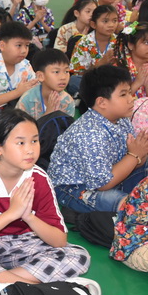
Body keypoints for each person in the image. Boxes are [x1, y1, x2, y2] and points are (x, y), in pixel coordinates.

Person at [0, 109, 97, 295]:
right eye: (21, 143)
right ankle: (40, 290)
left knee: (78, 255)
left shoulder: (39, 177)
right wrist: (11, 213)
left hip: (26, 244)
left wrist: (28, 216)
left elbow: (59, 240)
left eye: (34, 141)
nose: (30, 149)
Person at [50, 65, 148, 213]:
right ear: (102, 102)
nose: (131, 99)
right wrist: (134, 155)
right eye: (123, 95)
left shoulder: (121, 119)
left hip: (113, 174)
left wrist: (141, 152)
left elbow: (136, 162)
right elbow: (103, 184)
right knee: (127, 203)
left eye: (129, 92)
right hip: (76, 188)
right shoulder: (89, 134)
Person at [16, 49, 75, 120]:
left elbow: (68, 126)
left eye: (66, 71)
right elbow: (18, 126)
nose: (63, 77)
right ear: (40, 76)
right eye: (56, 72)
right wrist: (49, 113)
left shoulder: (67, 101)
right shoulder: (27, 99)